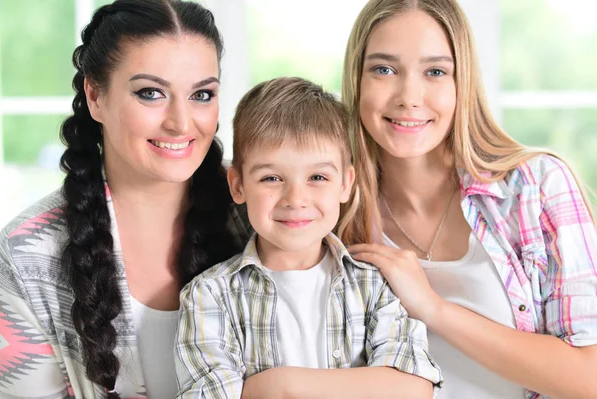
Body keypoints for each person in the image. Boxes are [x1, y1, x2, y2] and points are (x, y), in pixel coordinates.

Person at [339, 1, 597, 398]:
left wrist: (433, 308)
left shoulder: (535, 188)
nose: (409, 96)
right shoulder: (334, 208)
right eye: (384, 69)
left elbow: (588, 376)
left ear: (464, 82)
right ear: (357, 79)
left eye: (436, 72)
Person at [0, 1, 250, 398]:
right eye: (151, 93)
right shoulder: (25, 256)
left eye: (202, 94)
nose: (181, 123)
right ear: (95, 96)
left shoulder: (265, 213)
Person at [174, 77, 443, 399]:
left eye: (317, 177)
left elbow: (412, 389)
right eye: (271, 178)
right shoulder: (209, 296)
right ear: (238, 185)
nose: (296, 198)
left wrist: (276, 388)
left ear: (345, 183)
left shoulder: (375, 285)